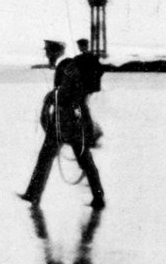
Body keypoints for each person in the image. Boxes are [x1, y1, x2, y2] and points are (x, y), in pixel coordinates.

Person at [19, 60, 105, 209]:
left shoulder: (70, 70)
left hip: (66, 125)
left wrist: (52, 96)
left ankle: (32, 194)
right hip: (67, 125)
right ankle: (98, 197)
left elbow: (70, 98)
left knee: (48, 160)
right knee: (81, 162)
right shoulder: (68, 68)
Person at [72, 38, 104, 148]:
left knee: (79, 108)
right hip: (89, 89)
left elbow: (73, 72)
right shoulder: (93, 58)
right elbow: (100, 71)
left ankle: (84, 131)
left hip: (81, 88)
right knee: (83, 107)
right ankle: (89, 132)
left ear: (81, 46)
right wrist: (93, 83)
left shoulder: (78, 59)